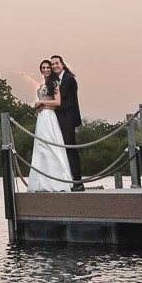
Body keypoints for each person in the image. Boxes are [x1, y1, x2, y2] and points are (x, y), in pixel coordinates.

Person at [23, 59, 72, 192]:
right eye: (43, 67)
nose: (46, 70)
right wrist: (39, 106)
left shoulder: (54, 83)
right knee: (41, 148)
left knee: (50, 146)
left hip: (49, 117)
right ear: (40, 70)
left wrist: (41, 102)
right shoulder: (41, 84)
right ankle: (42, 182)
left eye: (48, 67)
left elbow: (57, 102)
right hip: (41, 117)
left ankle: (56, 182)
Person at [49, 54, 83, 190]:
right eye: (52, 64)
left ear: (62, 64)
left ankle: (78, 181)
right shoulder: (55, 80)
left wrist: (50, 106)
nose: (54, 66)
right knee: (60, 149)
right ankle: (66, 180)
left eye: (56, 63)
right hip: (58, 119)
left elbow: (69, 102)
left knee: (70, 149)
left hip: (68, 118)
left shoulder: (69, 79)